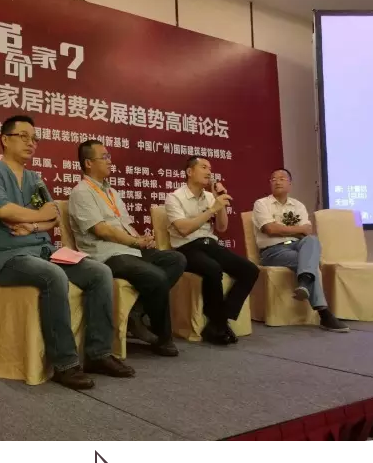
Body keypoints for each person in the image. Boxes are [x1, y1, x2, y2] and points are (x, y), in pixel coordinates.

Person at [0, 115, 135, 390]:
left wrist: (32, 224)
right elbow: (3, 209)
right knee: (53, 275)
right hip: (7, 257)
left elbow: (54, 217)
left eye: (34, 139)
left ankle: (98, 354)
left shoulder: (34, 178)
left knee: (99, 272)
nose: (31, 143)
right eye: (23, 136)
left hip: (42, 250)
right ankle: (65, 364)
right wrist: (37, 215)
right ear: (5, 139)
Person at [68, 140, 186, 357]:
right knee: (157, 276)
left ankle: (136, 312)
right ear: (88, 163)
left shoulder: (111, 191)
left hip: (128, 249)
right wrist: (134, 242)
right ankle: (162, 338)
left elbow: (123, 225)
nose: (110, 161)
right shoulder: (81, 192)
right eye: (104, 157)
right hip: (106, 254)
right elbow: (102, 230)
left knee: (176, 259)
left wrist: (140, 238)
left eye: (109, 156)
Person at [165, 157, 259, 345]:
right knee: (212, 269)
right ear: (189, 172)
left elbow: (222, 228)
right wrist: (211, 210)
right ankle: (219, 325)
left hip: (210, 244)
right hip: (186, 247)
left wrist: (219, 204)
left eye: (210, 168)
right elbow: (183, 229)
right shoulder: (175, 197)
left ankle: (219, 320)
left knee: (250, 270)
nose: (209, 172)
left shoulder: (209, 197)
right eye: (203, 167)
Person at [252, 168, 349, 332]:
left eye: (282, 178)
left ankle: (305, 282)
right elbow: (270, 229)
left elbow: (307, 232)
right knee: (309, 261)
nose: (277, 181)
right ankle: (324, 313)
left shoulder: (298, 205)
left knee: (312, 240)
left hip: (298, 246)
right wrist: (296, 230)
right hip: (273, 251)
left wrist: (283, 229)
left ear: (290, 184)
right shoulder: (261, 204)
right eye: (273, 179)